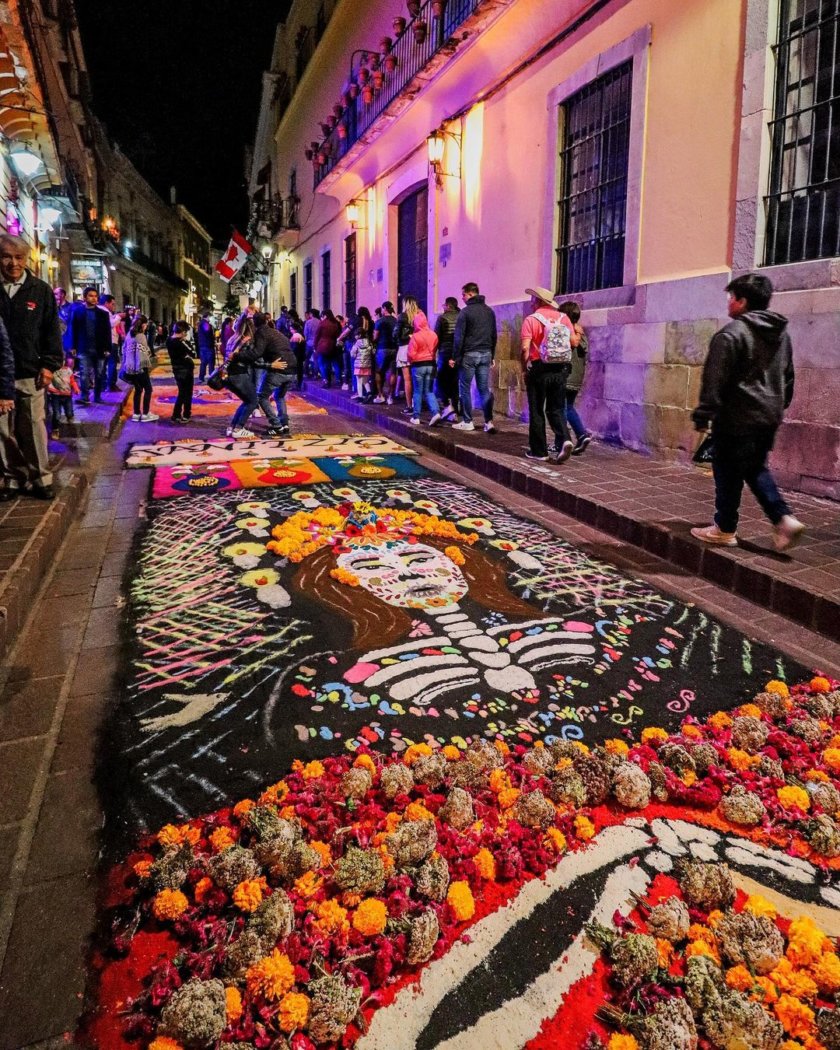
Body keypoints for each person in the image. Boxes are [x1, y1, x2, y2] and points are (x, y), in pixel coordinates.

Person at [690, 273, 804, 552]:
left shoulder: (731, 334)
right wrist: (779, 404)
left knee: (742, 468)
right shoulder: (780, 335)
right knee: (737, 467)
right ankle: (725, 526)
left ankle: (779, 517)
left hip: (737, 416)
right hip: (768, 415)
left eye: (732, 297)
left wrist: (704, 412)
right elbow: (788, 375)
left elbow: (715, 379)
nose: (729, 302)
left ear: (742, 301)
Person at [0, 235, 63, 500]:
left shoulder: (40, 290)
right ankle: (12, 476)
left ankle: (41, 477)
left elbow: (51, 331)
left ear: (27, 259)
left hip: (31, 372)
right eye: (6, 257)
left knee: (33, 426)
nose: (13, 263)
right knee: (2, 431)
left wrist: (49, 365)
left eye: (19, 257)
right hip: (0, 374)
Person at [520, 286, 578, 463]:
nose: (531, 303)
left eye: (533, 299)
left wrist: (525, 367)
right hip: (560, 368)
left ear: (538, 301)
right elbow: (574, 342)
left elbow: (524, 348)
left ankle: (539, 451)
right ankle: (565, 439)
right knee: (557, 408)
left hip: (539, 368)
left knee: (537, 409)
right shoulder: (564, 318)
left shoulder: (531, 320)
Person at [452, 282, 497, 433]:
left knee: (464, 388)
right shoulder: (489, 311)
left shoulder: (465, 313)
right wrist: (492, 354)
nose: (462, 297)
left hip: (469, 355)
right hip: (486, 353)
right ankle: (489, 421)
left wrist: (455, 357)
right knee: (483, 388)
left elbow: (459, 337)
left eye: (463, 294)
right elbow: (493, 335)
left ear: (471, 294)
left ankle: (467, 421)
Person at [556, 299, 591, 455]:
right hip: (577, 378)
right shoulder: (582, 334)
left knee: (559, 409)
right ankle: (582, 434)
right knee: (568, 407)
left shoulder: (567, 332)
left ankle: (562, 442)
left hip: (566, 375)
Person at [253, 312, 296, 437]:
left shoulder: (261, 333)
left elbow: (257, 352)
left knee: (262, 396)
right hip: (291, 368)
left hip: (279, 369)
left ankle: (276, 425)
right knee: (279, 396)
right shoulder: (276, 332)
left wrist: (249, 359)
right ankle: (284, 423)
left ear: (255, 323)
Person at [69, 285, 111, 404]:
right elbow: (74, 329)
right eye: (91, 296)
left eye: (95, 296)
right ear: (85, 297)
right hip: (84, 348)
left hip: (100, 348)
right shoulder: (78, 312)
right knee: (84, 374)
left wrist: (108, 348)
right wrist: (73, 346)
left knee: (99, 374)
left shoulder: (103, 314)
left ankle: (97, 396)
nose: (93, 298)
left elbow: (107, 332)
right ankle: (84, 396)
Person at [224, 316, 260, 438]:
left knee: (247, 400)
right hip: (240, 373)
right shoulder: (247, 340)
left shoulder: (232, 339)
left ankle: (232, 427)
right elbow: (251, 359)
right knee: (253, 401)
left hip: (230, 375)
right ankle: (239, 427)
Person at [122, 314, 158, 423]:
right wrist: (145, 362)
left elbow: (124, 350)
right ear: (143, 325)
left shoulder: (129, 334)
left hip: (130, 367)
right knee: (148, 389)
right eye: (146, 325)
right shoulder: (141, 336)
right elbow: (142, 354)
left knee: (138, 390)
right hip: (140, 367)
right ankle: (146, 414)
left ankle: (136, 413)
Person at [407, 311, 441, 426]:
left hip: (418, 366)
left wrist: (412, 360)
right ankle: (435, 412)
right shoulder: (434, 335)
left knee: (417, 392)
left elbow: (411, 355)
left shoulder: (415, 337)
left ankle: (416, 417)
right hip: (431, 365)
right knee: (429, 391)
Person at [434, 295, 460, 421]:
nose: (443, 307)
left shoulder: (442, 318)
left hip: (445, 353)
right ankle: (455, 408)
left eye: (444, 304)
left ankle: (447, 405)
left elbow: (436, 338)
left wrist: (434, 353)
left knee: (440, 380)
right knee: (454, 382)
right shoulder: (461, 316)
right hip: (457, 354)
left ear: (448, 306)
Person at [166, 320, 198, 424]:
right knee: (187, 393)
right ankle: (186, 414)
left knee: (181, 392)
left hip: (176, 368)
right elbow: (193, 353)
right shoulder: (181, 342)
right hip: (186, 369)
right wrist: (187, 342)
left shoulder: (169, 340)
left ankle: (176, 415)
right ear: (183, 331)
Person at [395, 295, 422, 413]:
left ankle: (409, 405)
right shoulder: (420, 315)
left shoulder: (402, 316)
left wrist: (405, 337)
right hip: (418, 348)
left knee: (407, 379)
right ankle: (418, 404)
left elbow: (395, 334)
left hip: (405, 348)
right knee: (417, 378)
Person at [46, 354, 79, 437]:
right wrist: (51, 390)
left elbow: (72, 381)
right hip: (56, 396)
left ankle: (70, 425)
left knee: (69, 413)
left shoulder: (68, 370)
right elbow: (49, 383)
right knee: (57, 414)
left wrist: (76, 388)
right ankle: (55, 429)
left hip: (67, 396)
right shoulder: (53, 371)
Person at [373, 300, 398, 404]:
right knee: (393, 372)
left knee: (379, 371)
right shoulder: (396, 320)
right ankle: (390, 397)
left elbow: (375, 337)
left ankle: (380, 395)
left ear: (384, 308)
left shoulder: (380, 321)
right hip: (394, 348)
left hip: (382, 348)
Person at [314, 308, 342, 387]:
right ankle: (338, 380)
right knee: (335, 363)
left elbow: (317, 335)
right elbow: (338, 334)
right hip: (333, 345)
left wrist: (315, 346)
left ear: (325, 315)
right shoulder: (336, 323)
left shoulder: (322, 323)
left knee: (322, 364)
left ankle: (326, 380)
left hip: (322, 345)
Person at [99, 293, 121, 391]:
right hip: (111, 341)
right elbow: (111, 324)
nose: (113, 306)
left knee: (103, 364)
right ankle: (111, 384)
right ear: (106, 303)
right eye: (112, 304)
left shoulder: (99, 311)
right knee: (112, 362)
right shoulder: (105, 312)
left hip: (103, 341)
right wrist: (119, 317)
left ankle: (103, 384)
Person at [350, 324, 373, 401]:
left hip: (358, 365)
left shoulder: (356, 343)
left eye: (356, 335)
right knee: (366, 381)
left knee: (359, 381)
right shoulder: (368, 342)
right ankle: (369, 393)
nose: (355, 337)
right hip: (367, 365)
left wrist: (354, 355)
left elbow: (353, 353)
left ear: (359, 335)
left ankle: (360, 396)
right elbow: (372, 351)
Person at [196, 309, 216, 383]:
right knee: (210, 362)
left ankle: (202, 377)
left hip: (203, 345)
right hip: (207, 346)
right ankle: (212, 377)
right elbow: (207, 333)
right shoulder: (205, 324)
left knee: (204, 362)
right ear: (208, 316)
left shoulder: (201, 323)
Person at [53, 286, 73, 353]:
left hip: (68, 340)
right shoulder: (53, 307)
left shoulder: (71, 307)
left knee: (69, 361)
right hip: (57, 340)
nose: (54, 296)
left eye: (56, 294)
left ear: (62, 295)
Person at [303, 308, 320, 378]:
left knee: (306, 358)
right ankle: (316, 374)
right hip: (317, 343)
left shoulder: (308, 322)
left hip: (309, 342)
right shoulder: (320, 322)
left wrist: (306, 340)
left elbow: (305, 333)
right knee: (316, 359)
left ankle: (306, 373)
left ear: (312, 314)